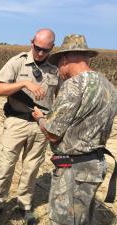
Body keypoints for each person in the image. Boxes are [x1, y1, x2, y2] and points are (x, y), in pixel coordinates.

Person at [32, 34, 117, 225]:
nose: (59, 69)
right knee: (82, 218)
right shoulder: (110, 87)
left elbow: (53, 134)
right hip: (96, 165)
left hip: (73, 169)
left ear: (65, 58)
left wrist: (40, 119)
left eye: (58, 63)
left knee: (63, 220)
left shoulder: (73, 85)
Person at [0, 28, 58, 225]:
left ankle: (24, 205)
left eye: (45, 50)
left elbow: (59, 99)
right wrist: (24, 83)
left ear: (52, 48)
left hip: (40, 125)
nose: (40, 53)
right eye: (37, 47)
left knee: (32, 167)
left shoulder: (54, 70)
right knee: (6, 165)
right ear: (32, 42)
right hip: (16, 122)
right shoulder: (18, 62)